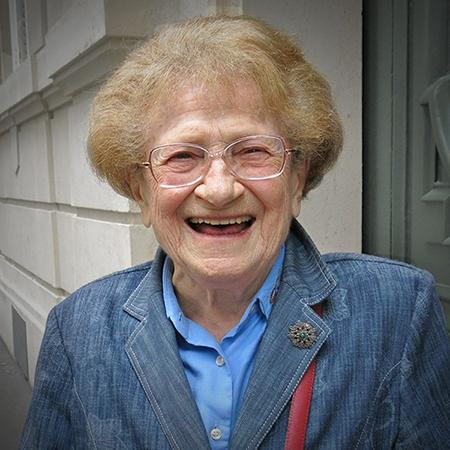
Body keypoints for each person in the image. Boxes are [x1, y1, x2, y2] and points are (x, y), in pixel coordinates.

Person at [21, 15, 450, 450]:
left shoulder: (397, 311)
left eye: (252, 151)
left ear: (297, 179)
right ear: (141, 190)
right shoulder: (78, 330)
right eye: (183, 156)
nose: (220, 189)